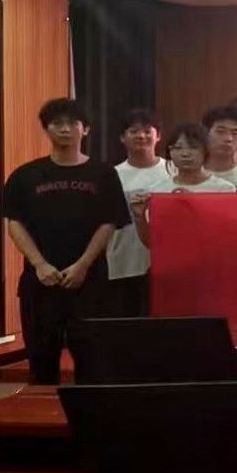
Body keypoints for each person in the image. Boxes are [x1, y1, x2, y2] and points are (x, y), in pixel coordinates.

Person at [1, 98, 130, 384]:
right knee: (41, 362)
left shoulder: (104, 174)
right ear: (46, 129)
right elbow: (14, 223)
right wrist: (39, 264)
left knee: (93, 362)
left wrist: (83, 265)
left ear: (86, 129)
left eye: (72, 123)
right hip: (40, 281)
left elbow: (109, 222)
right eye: (57, 123)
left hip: (90, 282)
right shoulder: (25, 175)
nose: (64, 129)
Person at [106, 108, 171, 318]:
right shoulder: (111, 175)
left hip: (167, 263)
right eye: (134, 131)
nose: (141, 136)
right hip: (123, 261)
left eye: (147, 131)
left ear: (158, 136)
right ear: (122, 137)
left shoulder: (173, 171)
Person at [130, 123, 237, 247]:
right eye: (178, 148)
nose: (185, 154)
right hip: (170, 256)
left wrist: (194, 204)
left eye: (193, 147)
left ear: (206, 150)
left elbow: (227, 235)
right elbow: (151, 243)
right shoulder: (158, 190)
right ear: (170, 152)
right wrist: (140, 217)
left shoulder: (224, 189)